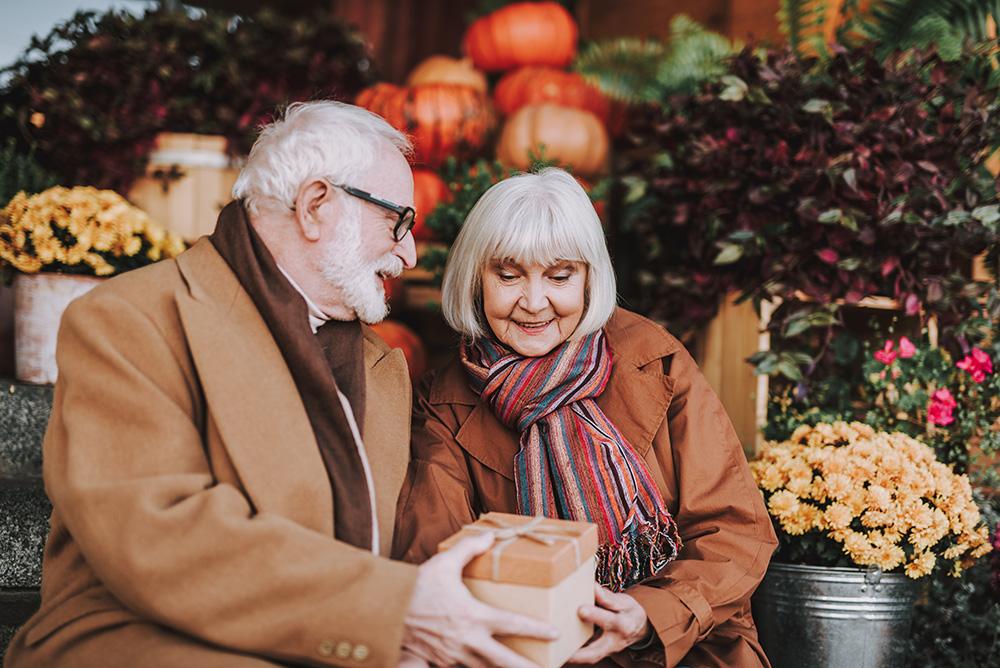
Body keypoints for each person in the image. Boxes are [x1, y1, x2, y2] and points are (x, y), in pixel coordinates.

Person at [5, 101, 556, 668]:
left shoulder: (382, 367)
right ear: (316, 206)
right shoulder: (127, 320)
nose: (408, 253)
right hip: (139, 639)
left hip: (335, 640)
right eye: (398, 222)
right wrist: (395, 612)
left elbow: (406, 538)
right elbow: (160, 538)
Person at [392, 168, 778, 667]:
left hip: (679, 647)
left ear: (590, 277)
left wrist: (647, 614)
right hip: (524, 650)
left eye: (559, 276)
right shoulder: (443, 399)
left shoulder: (654, 360)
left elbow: (735, 529)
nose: (534, 303)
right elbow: (437, 555)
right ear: (474, 278)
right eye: (508, 276)